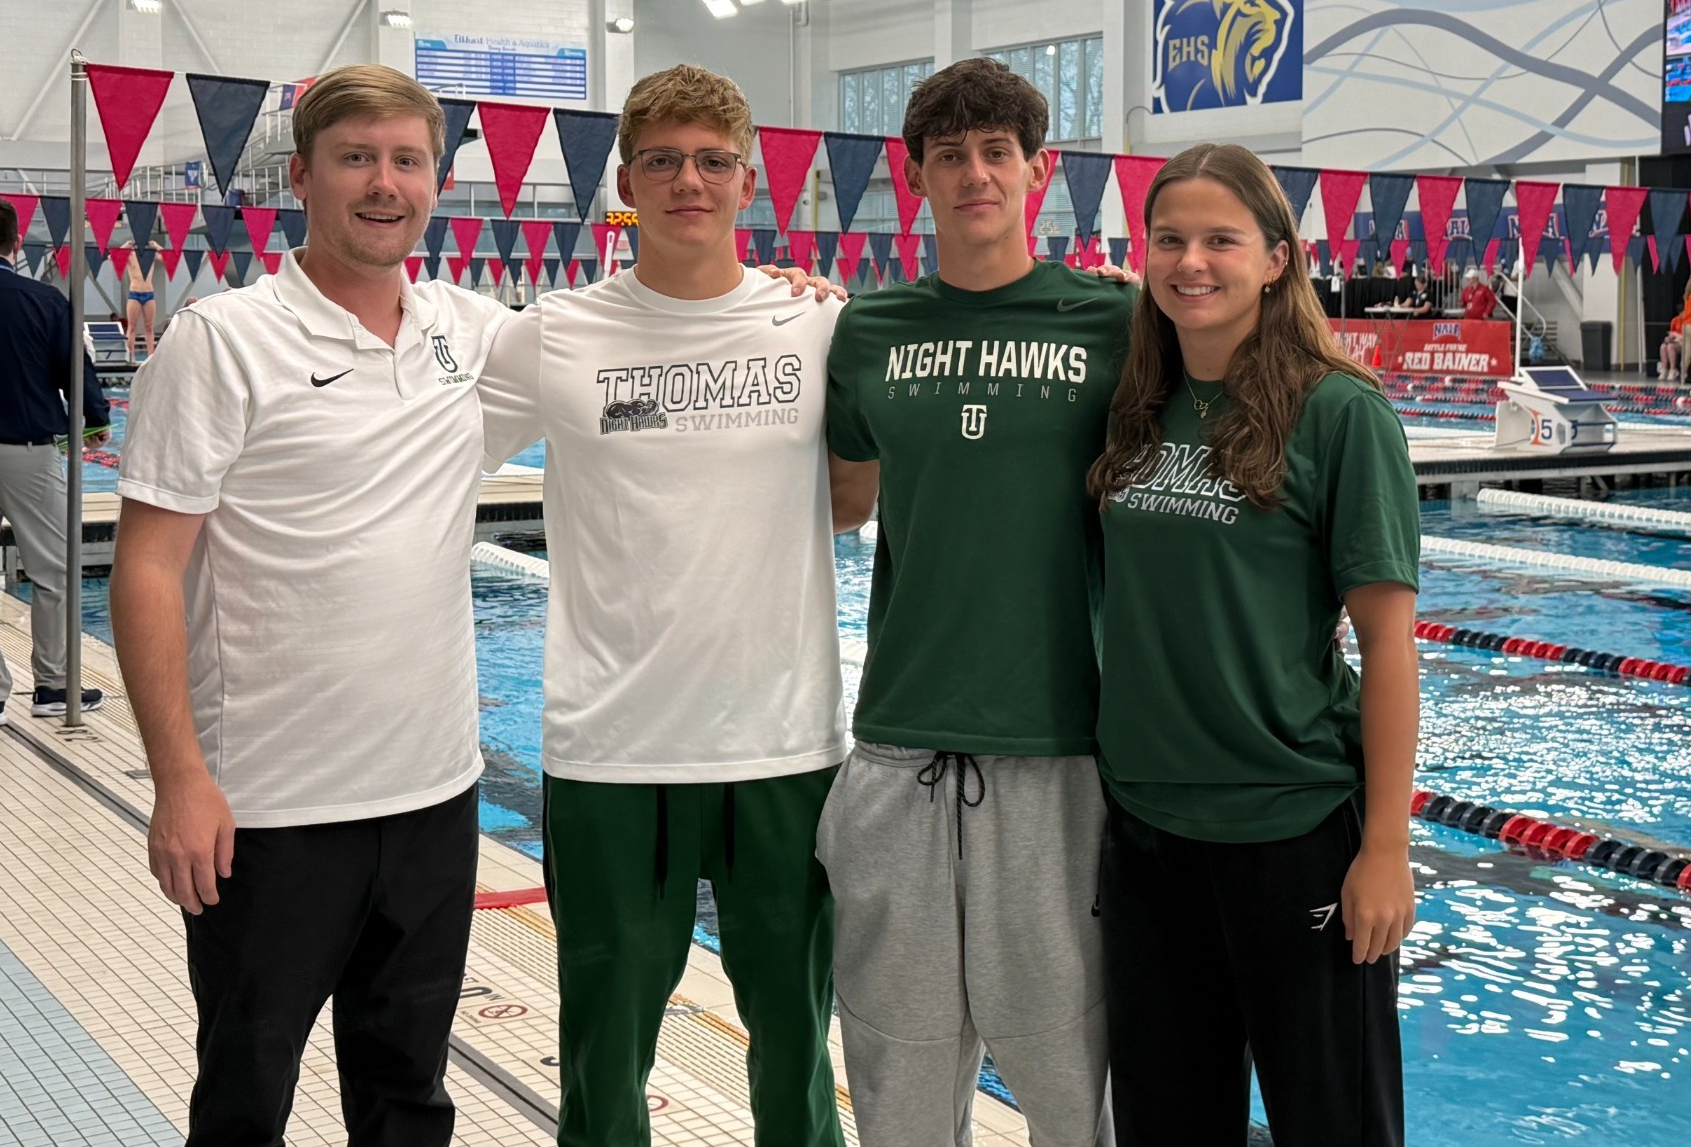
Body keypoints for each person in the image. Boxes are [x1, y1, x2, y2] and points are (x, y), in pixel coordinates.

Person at [109, 65, 511, 1144]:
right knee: (245, 1096)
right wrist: (179, 781)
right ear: (303, 177)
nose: (384, 184)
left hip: (435, 797)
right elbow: (144, 568)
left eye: (407, 160)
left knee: (409, 1095)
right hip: (270, 812)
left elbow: (639, 333)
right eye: (356, 158)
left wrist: (787, 293)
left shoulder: (470, 331)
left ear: (438, 180)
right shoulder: (222, 339)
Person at [478, 64, 864, 1147]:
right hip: (611, 747)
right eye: (662, 160)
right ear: (627, 185)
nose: (687, 180)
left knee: (797, 1042)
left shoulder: (817, 326)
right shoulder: (552, 333)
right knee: (606, 1053)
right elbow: (420, 462)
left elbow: (851, 495)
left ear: (748, 180)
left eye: (710, 160)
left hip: (783, 743)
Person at [819, 56, 1134, 1146]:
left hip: (1062, 752)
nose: (974, 173)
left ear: (1040, 170)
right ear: (915, 178)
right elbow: (840, 503)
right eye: (948, 155)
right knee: (899, 1090)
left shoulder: (1117, 323)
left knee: (1069, 1085)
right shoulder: (866, 330)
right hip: (900, 747)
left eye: (996, 151)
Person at [1088, 143, 1419, 1146]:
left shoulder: (1341, 412)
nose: (1193, 261)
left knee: (1336, 1125)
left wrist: (1387, 847)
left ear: (1278, 256)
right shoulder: (1138, 400)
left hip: (1293, 826)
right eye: (1171, 239)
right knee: (1166, 1125)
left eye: (1221, 239)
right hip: (1147, 832)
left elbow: (1390, 643)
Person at [0, 194, 111, 727]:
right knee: (53, 573)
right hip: (26, 453)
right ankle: (53, 686)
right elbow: (74, 370)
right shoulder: (42, 300)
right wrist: (97, 419)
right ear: (17, 243)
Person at [125, 240, 159, 360]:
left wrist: (157, 246)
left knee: (149, 327)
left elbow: (168, 259)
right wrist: (125, 246)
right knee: (132, 326)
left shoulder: (151, 254)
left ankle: (151, 357)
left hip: (149, 293)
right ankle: (131, 356)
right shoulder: (130, 255)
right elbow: (113, 257)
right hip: (134, 293)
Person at [1658, 312, 1683, 382]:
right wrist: (1669, 338)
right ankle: (1664, 369)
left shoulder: (1688, 321)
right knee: (1663, 346)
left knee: (1670, 347)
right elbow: (1671, 333)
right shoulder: (1675, 320)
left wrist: (1676, 335)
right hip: (1675, 341)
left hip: (1684, 343)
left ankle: (1673, 369)